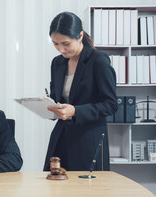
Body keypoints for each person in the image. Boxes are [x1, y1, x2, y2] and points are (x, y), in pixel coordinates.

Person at [43, 12, 118, 171]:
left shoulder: (98, 60)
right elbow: (58, 97)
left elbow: (111, 104)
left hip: (88, 140)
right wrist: (48, 103)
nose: (61, 49)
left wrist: (76, 111)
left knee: (86, 191)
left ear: (80, 36)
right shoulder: (57, 63)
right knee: (55, 188)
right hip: (61, 137)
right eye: (55, 44)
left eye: (66, 43)